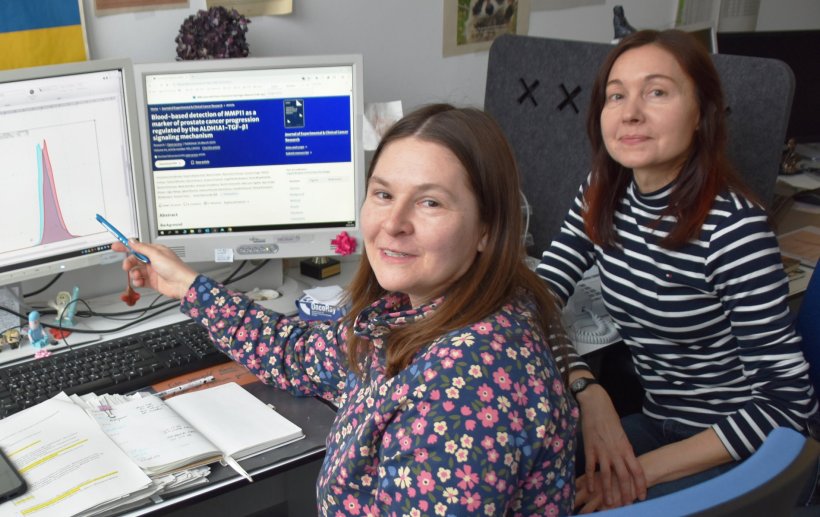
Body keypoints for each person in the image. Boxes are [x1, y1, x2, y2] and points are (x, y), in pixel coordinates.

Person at [115, 104, 579, 515]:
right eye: (383, 194)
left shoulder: (465, 388)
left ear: (486, 229)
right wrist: (187, 286)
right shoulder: (410, 313)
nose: (393, 224)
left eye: (430, 202)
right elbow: (297, 355)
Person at [536, 29, 818, 512]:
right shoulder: (603, 191)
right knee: (525, 469)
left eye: (657, 92)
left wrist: (636, 474)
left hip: (743, 446)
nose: (630, 112)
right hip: (657, 419)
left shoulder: (734, 231)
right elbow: (538, 297)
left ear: (701, 114)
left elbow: (787, 407)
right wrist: (588, 389)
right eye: (616, 95)